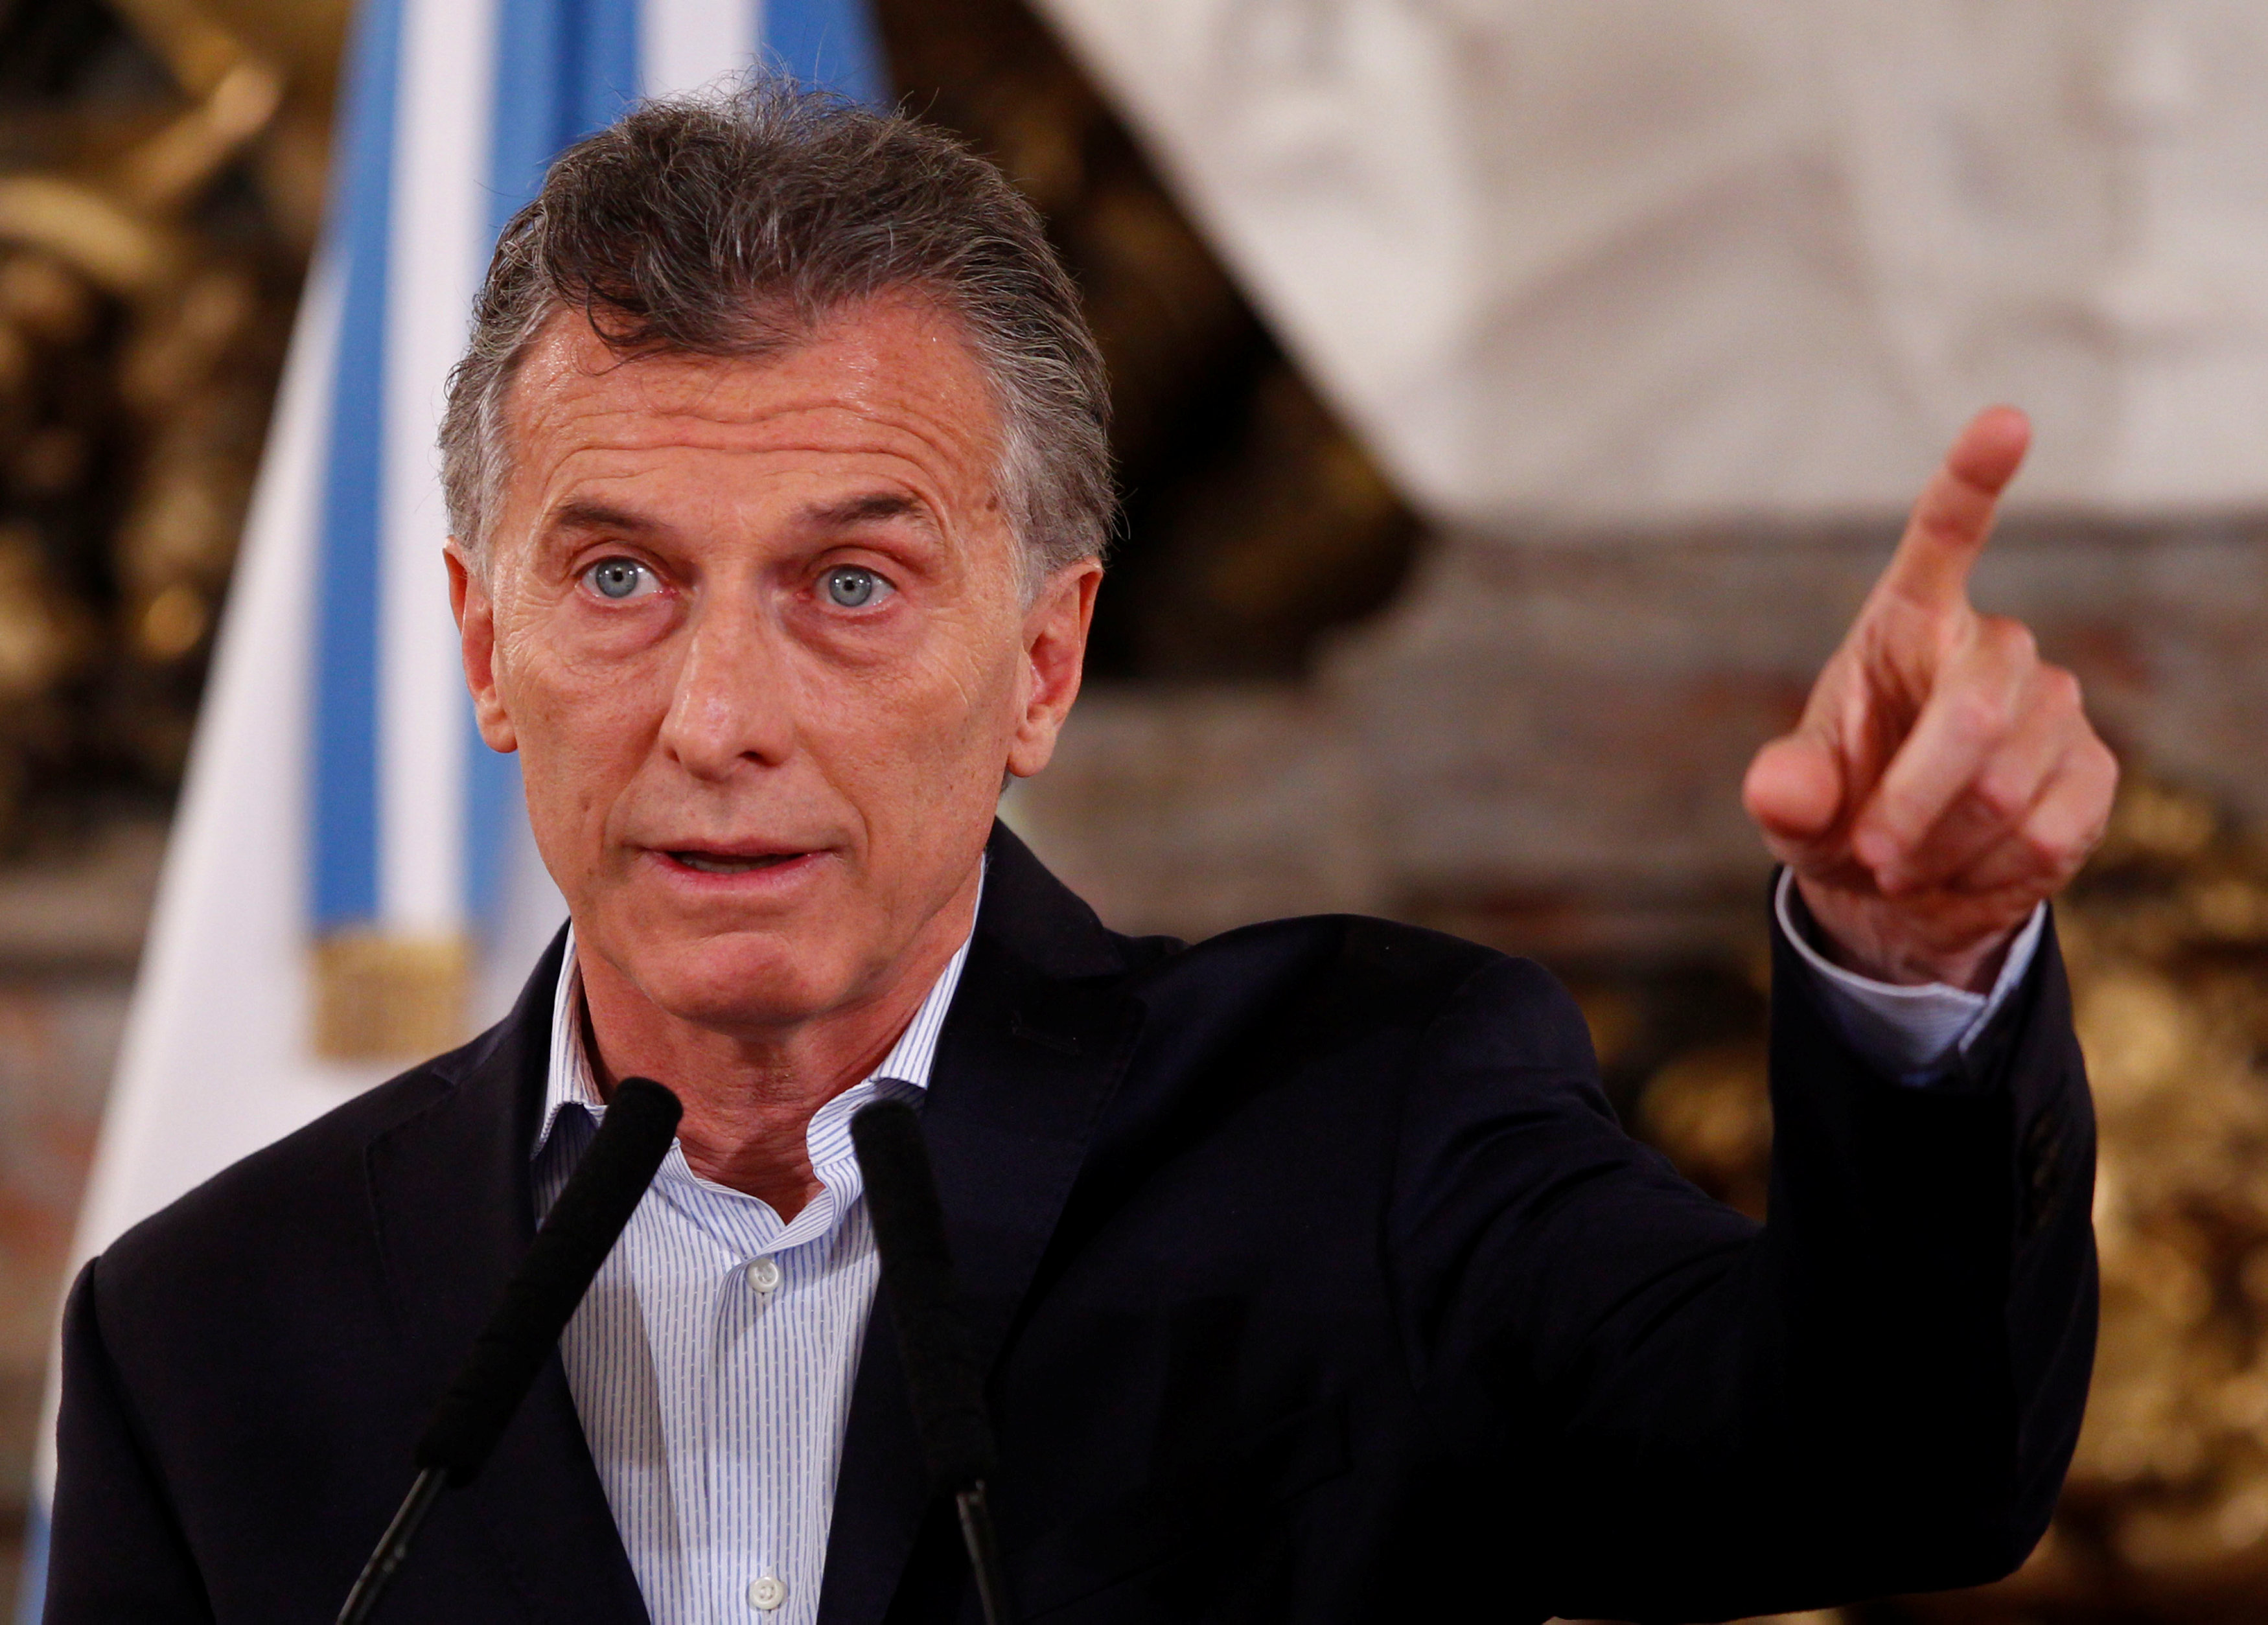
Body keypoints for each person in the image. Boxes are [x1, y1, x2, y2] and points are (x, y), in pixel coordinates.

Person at [44, 80, 2112, 1625]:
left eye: (850, 584)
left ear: (1041, 663)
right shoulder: (213, 1330)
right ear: (487, 647)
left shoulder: (1362, 1123)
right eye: (617, 577)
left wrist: (1907, 963)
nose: (719, 713)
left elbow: (1886, 1476)